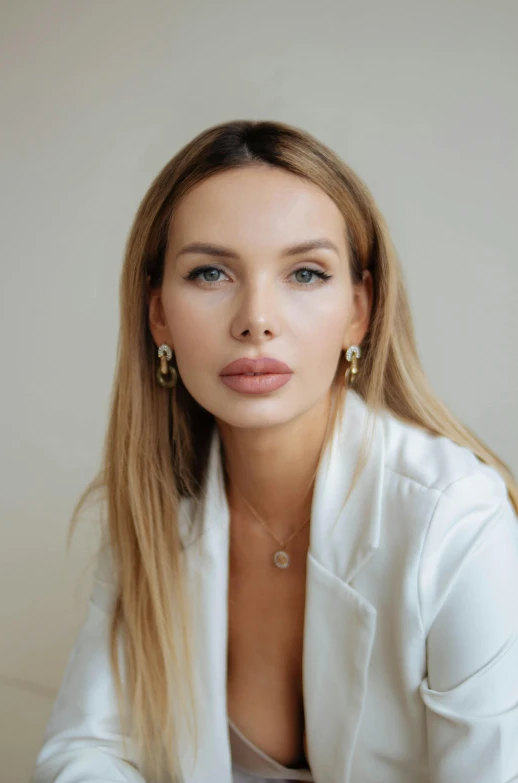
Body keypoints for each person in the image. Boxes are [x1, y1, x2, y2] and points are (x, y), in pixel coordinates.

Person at [33, 119, 518, 783]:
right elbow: (82, 752)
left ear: (359, 309)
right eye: (210, 272)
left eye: (305, 273)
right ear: (159, 317)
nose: (256, 318)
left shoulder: (458, 520)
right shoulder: (156, 507)